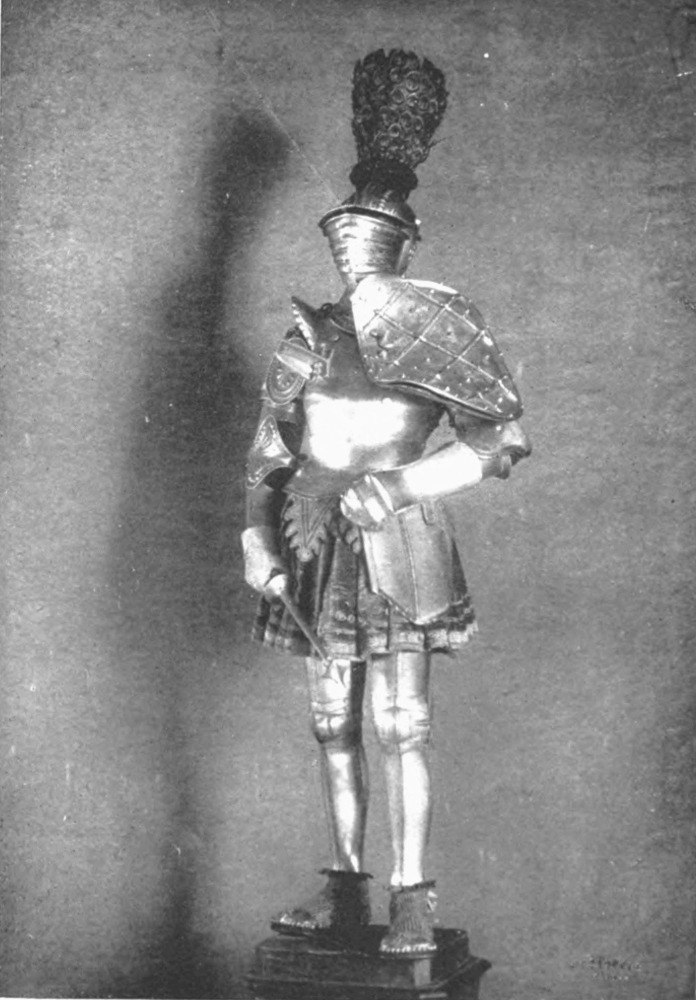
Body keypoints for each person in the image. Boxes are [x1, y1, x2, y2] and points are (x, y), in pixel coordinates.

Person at [241, 49, 530, 957]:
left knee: (401, 724)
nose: (356, 245)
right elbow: (272, 452)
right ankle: (344, 886)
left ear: (404, 238)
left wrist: (401, 484)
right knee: (332, 722)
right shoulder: (308, 336)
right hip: (314, 536)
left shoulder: (436, 329)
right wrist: (256, 534)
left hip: (399, 537)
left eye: (373, 228)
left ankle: (411, 896)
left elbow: (498, 440)